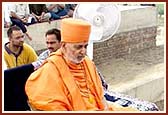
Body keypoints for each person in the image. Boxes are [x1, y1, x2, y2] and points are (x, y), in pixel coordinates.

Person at [25, 18, 138, 111]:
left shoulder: (87, 62)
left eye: (85, 46)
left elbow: (100, 95)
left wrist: (105, 110)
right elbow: (51, 105)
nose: (83, 51)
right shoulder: (50, 69)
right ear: (63, 46)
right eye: (78, 47)